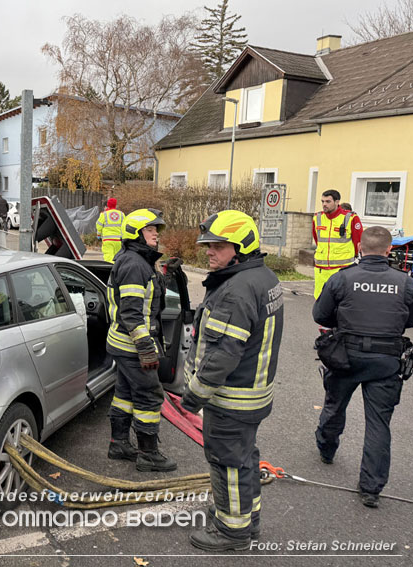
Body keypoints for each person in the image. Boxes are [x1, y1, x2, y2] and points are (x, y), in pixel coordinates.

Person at [181, 210, 284, 552]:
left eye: (217, 246)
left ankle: (232, 531)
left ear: (240, 248)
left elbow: (222, 354)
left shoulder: (235, 291)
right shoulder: (263, 278)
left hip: (231, 400)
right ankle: (245, 516)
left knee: (227, 464)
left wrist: (193, 396)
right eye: (207, 245)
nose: (208, 251)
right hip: (254, 396)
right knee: (244, 458)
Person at [313, 226, 413, 508]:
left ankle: (326, 449)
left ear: (360, 248)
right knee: (378, 423)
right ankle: (371, 489)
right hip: (386, 362)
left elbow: (319, 314)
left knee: (335, 405)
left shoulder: (342, 278)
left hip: (345, 356)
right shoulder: (406, 283)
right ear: (388, 251)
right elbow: (411, 321)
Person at [106, 208, 177, 473]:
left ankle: (119, 444)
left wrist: (166, 276)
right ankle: (148, 455)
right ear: (136, 233)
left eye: (156, 230)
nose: (156, 234)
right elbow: (132, 313)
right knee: (148, 396)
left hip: (122, 344)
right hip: (133, 346)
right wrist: (146, 348)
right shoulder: (135, 265)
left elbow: (146, 298)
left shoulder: (135, 259)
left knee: (124, 394)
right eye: (150, 230)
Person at [313, 190, 363, 299]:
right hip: (321, 269)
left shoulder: (350, 218)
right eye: (322, 201)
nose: (324, 204)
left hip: (342, 270)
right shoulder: (317, 218)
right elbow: (318, 240)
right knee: (320, 300)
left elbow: (358, 242)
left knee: (342, 300)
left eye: (328, 201)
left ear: (337, 202)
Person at [96, 198, 125, 263]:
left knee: (108, 258)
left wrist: (98, 234)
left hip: (108, 240)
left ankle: (109, 271)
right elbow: (124, 226)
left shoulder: (104, 214)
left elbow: (99, 225)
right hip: (118, 240)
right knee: (118, 258)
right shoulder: (121, 214)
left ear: (108, 205)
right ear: (115, 205)